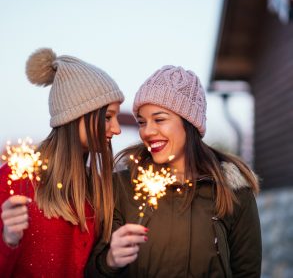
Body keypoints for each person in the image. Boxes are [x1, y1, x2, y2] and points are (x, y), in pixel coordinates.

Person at [85, 65, 262, 278]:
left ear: (189, 123)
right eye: (142, 122)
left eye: (159, 119)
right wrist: (108, 261)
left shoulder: (232, 192)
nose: (147, 131)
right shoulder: (120, 187)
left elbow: (247, 272)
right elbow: (90, 270)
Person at [0, 48, 125, 278]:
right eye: (107, 117)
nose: (116, 129)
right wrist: (7, 240)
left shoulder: (98, 188)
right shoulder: (17, 178)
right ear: (75, 115)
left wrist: (111, 261)